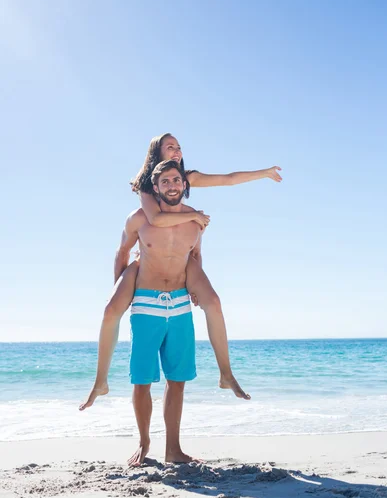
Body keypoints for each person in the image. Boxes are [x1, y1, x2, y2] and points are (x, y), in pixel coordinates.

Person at [80, 133, 282, 411]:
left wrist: (265, 173)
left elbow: (228, 178)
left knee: (213, 302)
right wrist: (194, 215)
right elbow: (156, 219)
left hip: (182, 255)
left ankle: (226, 374)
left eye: (178, 147)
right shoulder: (146, 186)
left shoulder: (187, 177)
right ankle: (100, 381)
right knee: (111, 309)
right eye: (169, 147)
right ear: (156, 153)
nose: (176, 151)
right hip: (148, 257)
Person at [120, 160, 201, 465]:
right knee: (142, 380)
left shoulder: (195, 224)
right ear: (155, 188)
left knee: (177, 379)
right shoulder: (139, 218)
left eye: (176, 180)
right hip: (146, 304)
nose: (171, 186)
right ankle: (144, 443)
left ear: (184, 184)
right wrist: (121, 292)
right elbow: (122, 251)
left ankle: (174, 450)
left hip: (179, 305)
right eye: (165, 181)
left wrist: (195, 288)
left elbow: (196, 256)